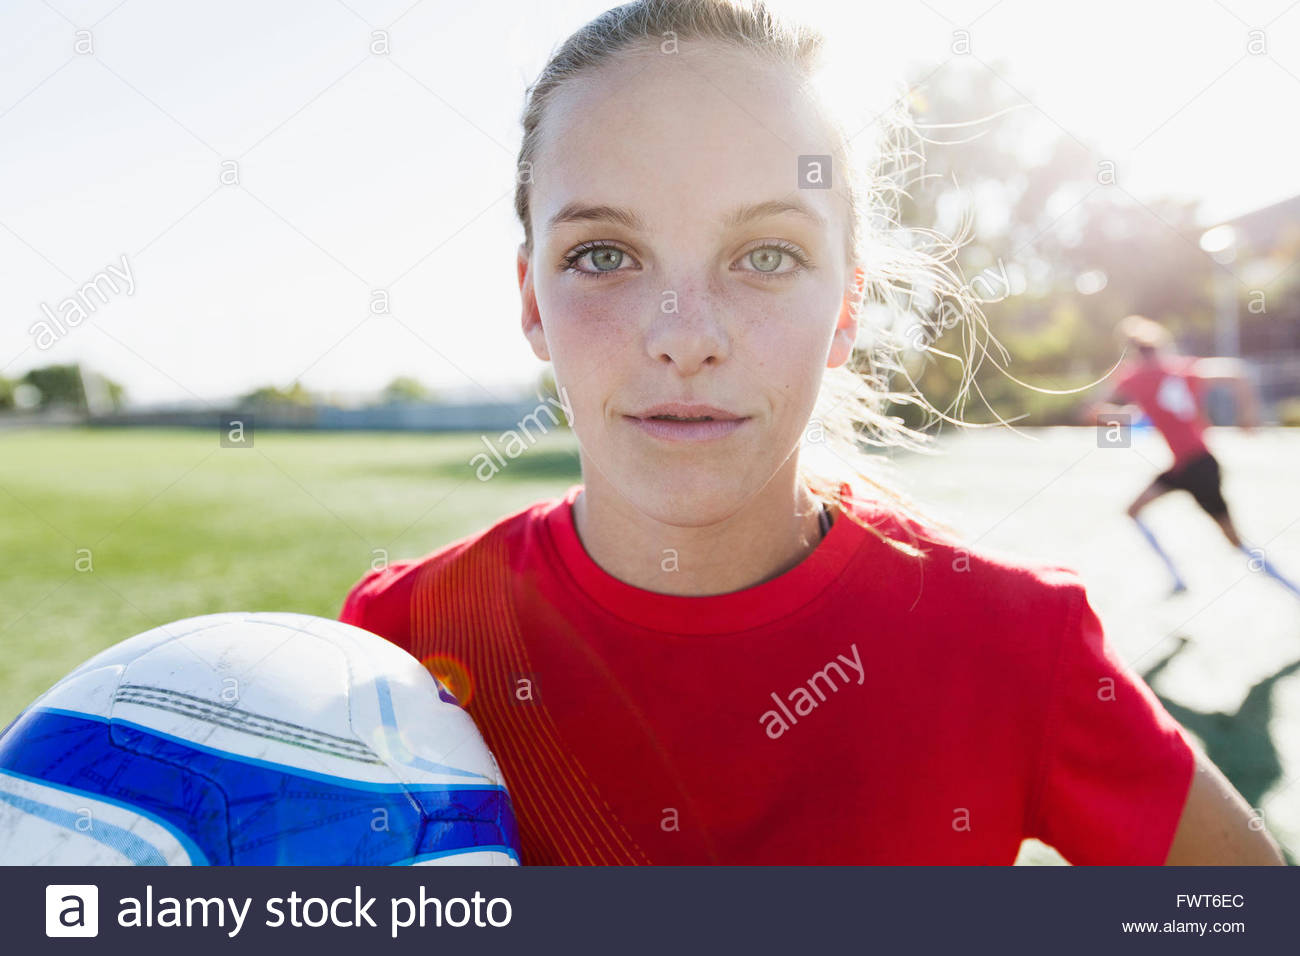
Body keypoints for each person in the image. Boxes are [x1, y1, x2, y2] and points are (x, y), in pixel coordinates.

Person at [341, 1, 1283, 865]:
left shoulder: (1008, 642)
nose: (684, 337)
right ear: (531, 300)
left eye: (766, 256)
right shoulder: (399, 644)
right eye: (602, 255)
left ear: (846, 308)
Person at [1086, 313, 1300, 599]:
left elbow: (1090, 412)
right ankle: (1176, 579)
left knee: (1235, 541)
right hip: (1188, 465)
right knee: (1133, 510)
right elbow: (1237, 374)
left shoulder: (1132, 376)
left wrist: (1128, 418)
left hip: (1197, 468)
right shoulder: (1183, 369)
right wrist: (1248, 416)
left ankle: (1292, 589)